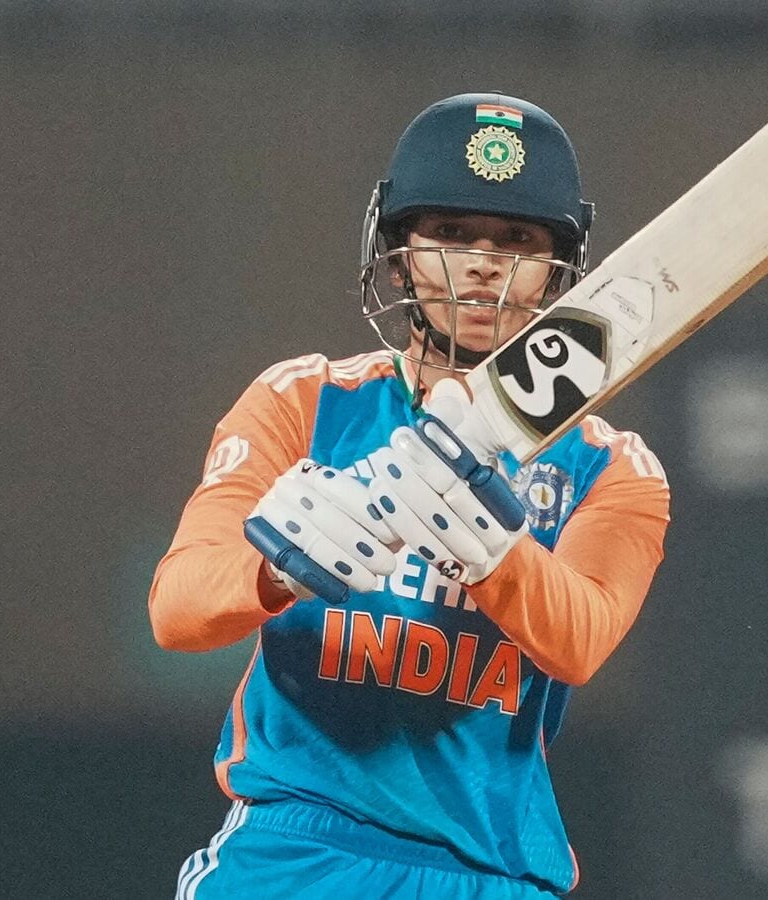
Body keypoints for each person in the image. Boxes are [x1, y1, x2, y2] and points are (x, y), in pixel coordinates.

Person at [149, 92, 671, 898]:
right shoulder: (304, 401)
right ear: (397, 251)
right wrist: (274, 570)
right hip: (295, 855)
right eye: (451, 234)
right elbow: (176, 610)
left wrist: (493, 550)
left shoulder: (612, 467)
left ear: (561, 268)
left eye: (518, 240)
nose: (482, 264)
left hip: (488, 870)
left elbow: (581, 638)